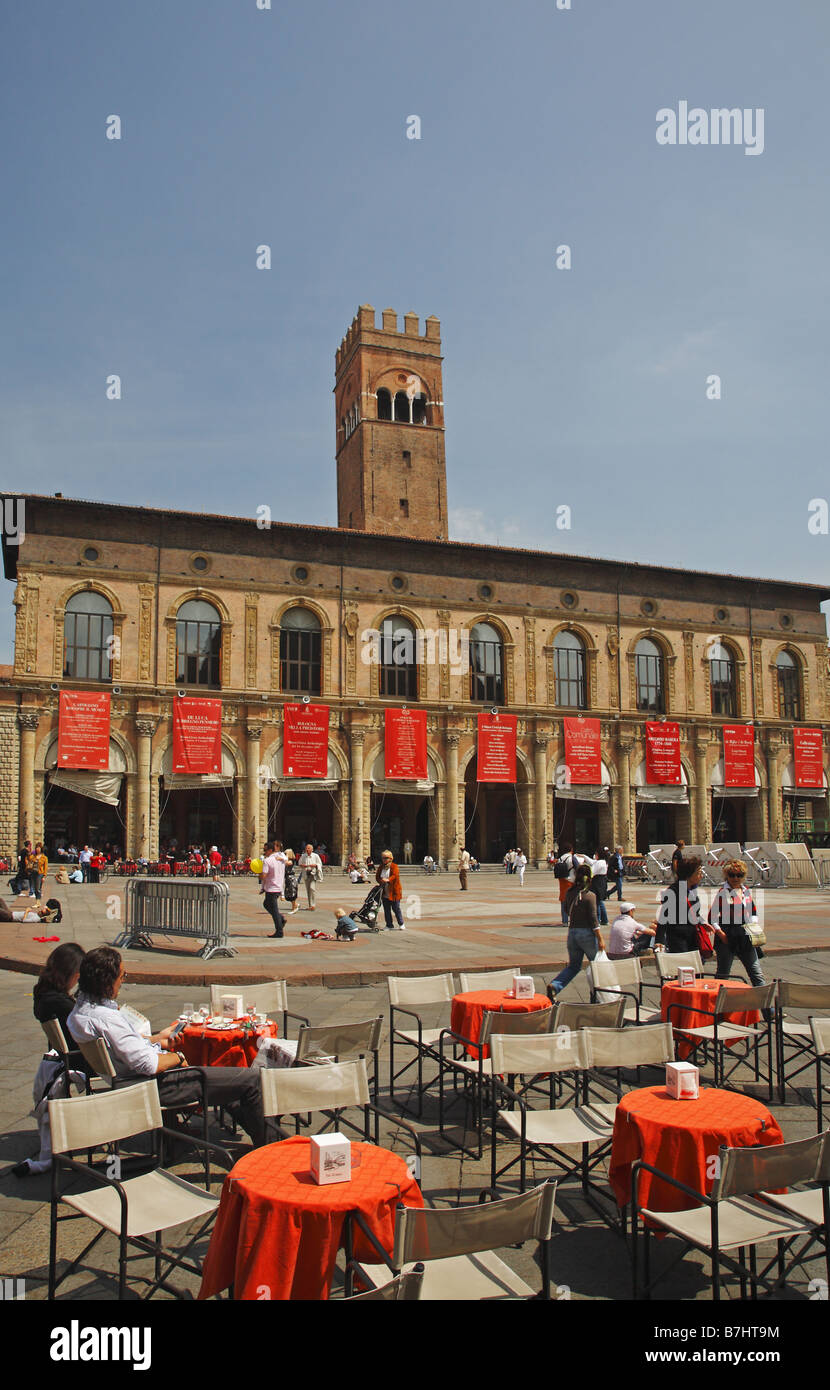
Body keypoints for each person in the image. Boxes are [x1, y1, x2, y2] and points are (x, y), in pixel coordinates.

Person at [67, 947, 265, 1146]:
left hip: (128, 1080)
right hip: (155, 1085)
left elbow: (123, 1045)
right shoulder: (107, 1018)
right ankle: (269, 1145)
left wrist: (156, 1039)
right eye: (122, 975)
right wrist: (178, 1057)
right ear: (107, 982)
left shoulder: (79, 1013)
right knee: (251, 1079)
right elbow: (149, 1065)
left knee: (228, 1081)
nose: (123, 981)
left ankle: (261, 1138)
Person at [548, 864, 605, 997]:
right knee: (596, 966)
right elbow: (593, 919)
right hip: (587, 934)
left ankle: (555, 986)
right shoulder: (590, 895)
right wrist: (600, 938)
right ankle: (597, 995)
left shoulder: (570, 892)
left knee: (574, 966)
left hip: (572, 933)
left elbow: (567, 910)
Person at [708, 859, 765, 986]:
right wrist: (721, 934)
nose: (735, 878)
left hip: (745, 935)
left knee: (756, 972)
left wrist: (753, 926)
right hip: (727, 935)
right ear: (726, 875)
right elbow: (712, 917)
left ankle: (766, 1005)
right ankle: (716, 1002)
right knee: (723, 973)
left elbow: (753, 911)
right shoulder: (723, 892)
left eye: (739, 875)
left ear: (743, 876)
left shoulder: (746, 891)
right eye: (732, 875)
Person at [653, 855, 704, 954]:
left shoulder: (691, 890)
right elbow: (664, 916)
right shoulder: (674, 891)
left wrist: (702, 922)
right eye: (698, 873)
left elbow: (693, 912)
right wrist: (659, 940)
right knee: (684, 965)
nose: (701, 876)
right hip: (678, 938)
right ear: (689, 874)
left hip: (692, 936)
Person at [259, 840, 288, 938]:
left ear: (270, 850)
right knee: (266, 904)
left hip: (271, 888)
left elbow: (264, 876)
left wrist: (259, 873)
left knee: (274, 910)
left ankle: (279, 931)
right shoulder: (281, 859)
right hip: (278, 886)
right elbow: (288, 860)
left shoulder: (267, 861)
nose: (264, 852)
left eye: (265, 850)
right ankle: (280, 919)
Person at [377, 850, 405, 930]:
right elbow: (377, 877)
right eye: (383, 858)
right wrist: (381, 880)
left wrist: (388, 880)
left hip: (394, 891)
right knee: (386, 909)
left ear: (390, 858)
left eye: (386, 858)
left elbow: (395, 876)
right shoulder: (381, 867)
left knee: (396, 908)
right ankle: (389, 925)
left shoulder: (394, 866)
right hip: (385, 891)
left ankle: (401, 923)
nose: (384, 860)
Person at [554, 843, 577, 926]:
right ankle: (573, 919)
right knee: (573, 901)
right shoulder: (572, 858)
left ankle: (564, 921)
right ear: (571, 850)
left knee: (563, 900)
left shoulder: (560, 858)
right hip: (571, 881)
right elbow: (577, 868)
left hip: (562, 880)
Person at [299, 843, 324, 910]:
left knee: (312, 888)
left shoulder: (315, 856)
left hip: (313, 873)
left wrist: (315, 865)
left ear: (312, 849)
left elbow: (320, 864)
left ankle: (313, 905)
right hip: (306, 873)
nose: (307, 849)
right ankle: (310, 905)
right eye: (306, 848)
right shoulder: (303, 856)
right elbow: (300, 863)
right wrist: (303, 865)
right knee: (308, 890)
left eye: (308, 848)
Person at [284, 848, 300, 914]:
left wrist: (285, 857)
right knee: (288, 894)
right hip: (287, 879)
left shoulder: (291, 861)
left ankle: (294, 908)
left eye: (285, 853)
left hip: (291, 879)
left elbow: (287, 863)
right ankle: (296, 905)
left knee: (292, 894)